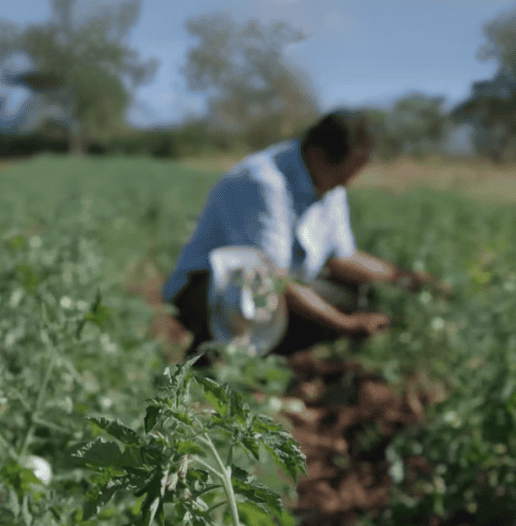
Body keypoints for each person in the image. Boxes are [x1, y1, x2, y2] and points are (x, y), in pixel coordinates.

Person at [162, 109, 433, 360]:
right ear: (317, 155)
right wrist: (344, 324)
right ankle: (213, 365)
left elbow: (341, 259)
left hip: (275, 284)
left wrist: (404, 280)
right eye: (345, 173)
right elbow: (270, 280)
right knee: (258, 302)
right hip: (210, 288)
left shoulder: (329, 184)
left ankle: (271, 364)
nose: (349, 183)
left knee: (359, 298)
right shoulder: (263, 183)